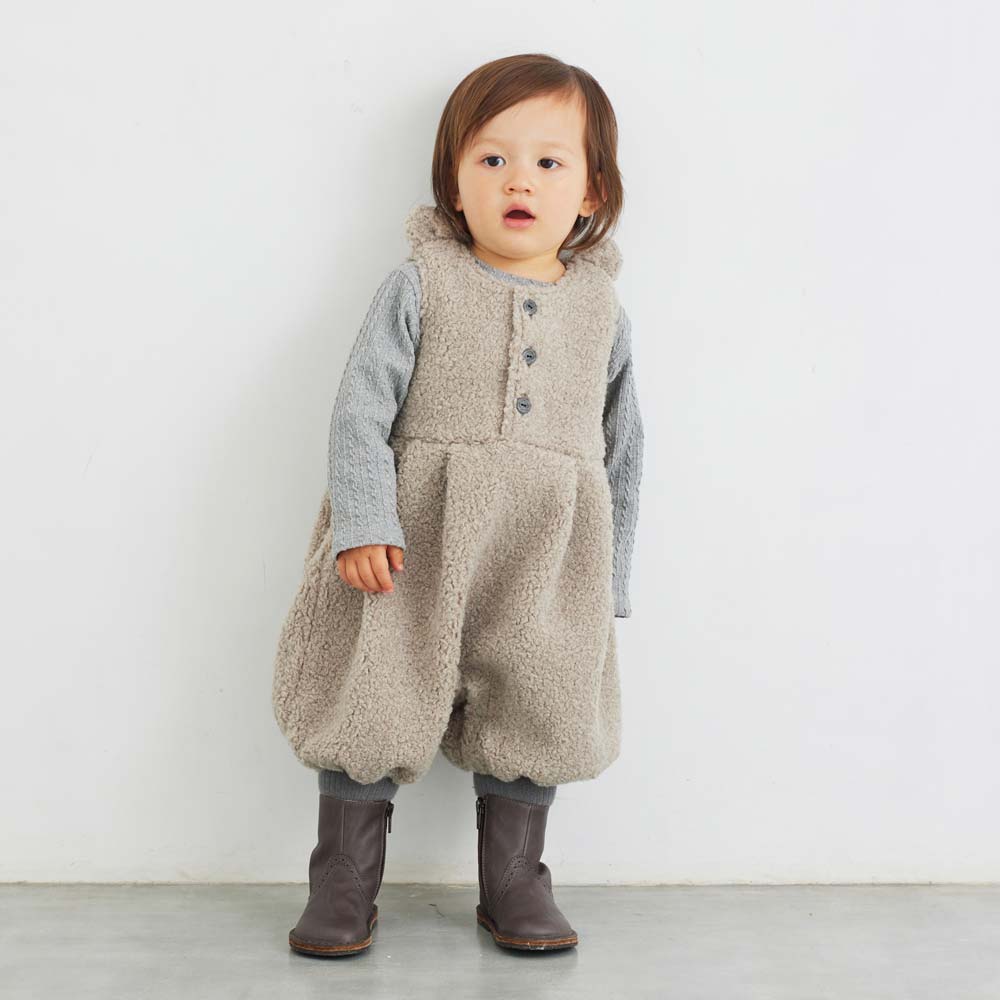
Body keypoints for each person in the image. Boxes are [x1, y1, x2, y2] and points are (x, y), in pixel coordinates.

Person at [272, 52, 644, 957]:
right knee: (376, 687)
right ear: (454, 182)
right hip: (417, 537)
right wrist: (364, 521)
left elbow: (624, 448)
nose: (519, 180)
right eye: (492, 159)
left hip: (547, 547)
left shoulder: (602, 311)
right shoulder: (421, 284)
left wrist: (608, 577)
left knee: (537, 698)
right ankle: (343, 878)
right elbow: (361, 409)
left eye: (549, 162)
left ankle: (515, 879)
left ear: (591, 191)